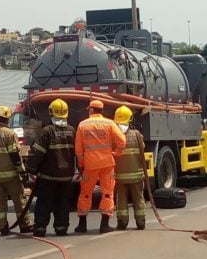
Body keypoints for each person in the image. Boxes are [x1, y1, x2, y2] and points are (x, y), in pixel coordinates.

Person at [25, 99, 76, 237]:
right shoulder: (72, 131)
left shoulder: (47, 131)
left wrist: (31, 169)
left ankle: (40, 228)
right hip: (66, 176)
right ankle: (61, 227)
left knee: (44, 203)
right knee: (63, 203)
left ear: (50, 112)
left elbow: (37, 153)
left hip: (48, 176)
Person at [74, 99, 126, 234]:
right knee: (107, 193)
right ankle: (104, 225)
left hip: (89, 164)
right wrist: (116, 153)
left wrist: (81, 165)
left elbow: (78, 150)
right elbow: (122, 141)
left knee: (85, 194)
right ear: (101, 110)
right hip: (107, 163)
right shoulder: (109, 124)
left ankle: (82, 225)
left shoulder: (82, 125)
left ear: (91, 110)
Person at [0, 106, 33, 235]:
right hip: (10, 175)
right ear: (7, 118)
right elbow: (14, 155)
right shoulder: (9, 133)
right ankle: (24, 225)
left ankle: (3, 228)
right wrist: (22, 171)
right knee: (19, 200)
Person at [113, 105, 146, 231]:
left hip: (120, 176)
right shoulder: (138, 135)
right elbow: (143, 151)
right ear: (130, 119)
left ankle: (122, 222)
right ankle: (141, 222)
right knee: (138, 198)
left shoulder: (114, 137)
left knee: (121, 199)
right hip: (136, 175)